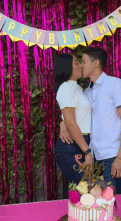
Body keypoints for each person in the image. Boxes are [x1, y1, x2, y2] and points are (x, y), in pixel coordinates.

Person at [59, 47, 121, 195]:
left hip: (112, 156)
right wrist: (63, 122)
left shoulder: (115, 84)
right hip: (93, 157)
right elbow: (78, 114)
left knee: (109, 203)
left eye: (84, 62)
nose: (81, 65)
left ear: (96, 63)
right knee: (93, 203)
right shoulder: (87, 91)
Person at [53, 53, 94, 199]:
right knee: (86, 191)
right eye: (76, 63)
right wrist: (87, 151)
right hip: (73, 147)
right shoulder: (66, 88)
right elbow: (71, 122)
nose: (80, 65)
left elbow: (72, 117)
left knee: (80, 192)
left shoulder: (76, 88)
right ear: (67, 68)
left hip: (80, 144)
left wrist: (62, 121)